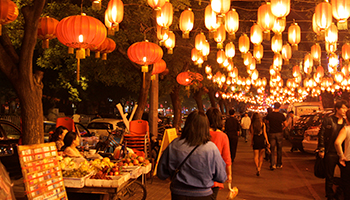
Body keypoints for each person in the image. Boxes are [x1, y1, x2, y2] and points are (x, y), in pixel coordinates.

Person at [157, 110, 227, 200]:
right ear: (205, 128)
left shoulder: (174, 145)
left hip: (178, 195)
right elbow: (221, 177)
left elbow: (161, 174)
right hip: (204, 195)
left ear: (187, 125)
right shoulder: (211, 148)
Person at [318, 100, 348, 200]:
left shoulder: (346, 121)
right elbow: (321, 134)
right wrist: (321, 148)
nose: (345, 110)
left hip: (343, 153)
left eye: (346, 108)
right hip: (331, 151)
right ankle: (329, 194)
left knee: (345, 176)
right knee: (329, 175)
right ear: (337, 109)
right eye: (343, 108)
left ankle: (339, 192)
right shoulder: (328, 120)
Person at [206, 107, 232, 199]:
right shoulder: (223, 136)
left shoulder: (202, 134)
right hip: (215, 176)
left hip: (200, 175)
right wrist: (229, 175)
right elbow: (227, 158)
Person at [334, 109, 350, 200]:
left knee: (347, 185)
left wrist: (341, 156)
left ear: (347, 119)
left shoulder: (346, 129)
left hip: (348, 161)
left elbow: (337, 143)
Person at [265, 102, 286, 170]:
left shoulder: (270, 115)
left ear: (274, 107)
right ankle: (279, 164)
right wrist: (282, 128)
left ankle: (272, 164)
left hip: (271, 133)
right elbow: (285, 124)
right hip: (279, 133)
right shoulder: (281, 115)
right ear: (279, 107)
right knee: (279, 149)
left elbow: (266, 121)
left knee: (272, 149)